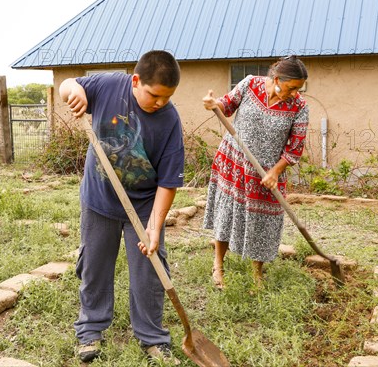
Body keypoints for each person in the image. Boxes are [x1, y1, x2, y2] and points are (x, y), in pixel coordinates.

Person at [59, 50, 184, 365]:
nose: (160, 103)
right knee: (95, 265)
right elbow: (68, 84)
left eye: (167, 97)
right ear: (136, 81)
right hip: (99, 200)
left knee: (150, 271)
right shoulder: (109, 85)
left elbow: (168, 181)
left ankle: (152, 337)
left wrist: (154, 226)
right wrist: (72, 91)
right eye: (154, 95)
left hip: (143, 206)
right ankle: (90, 330)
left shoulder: (169, 120)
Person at [202, 55, 309, 290]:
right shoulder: (250, 84)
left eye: (298, 89)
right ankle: (218, 265)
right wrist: (214, 104)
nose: (294, 93)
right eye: (292, 88)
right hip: (234, 163)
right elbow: (227, 105)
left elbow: (295, 148)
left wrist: (275, 171)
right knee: (226, 214)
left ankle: (257, 274)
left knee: (262, 223)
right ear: (278, 79)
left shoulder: (299, 107)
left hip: (266, 175)